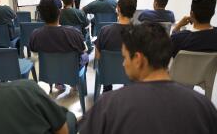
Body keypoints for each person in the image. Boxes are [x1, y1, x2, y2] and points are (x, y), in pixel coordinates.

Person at [79, 22, 217, 134]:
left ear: (138, 59)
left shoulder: (109, 105)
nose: (123, 63)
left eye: (125, 57)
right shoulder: (204, 107)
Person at [30, 0, 89, 91]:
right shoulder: (74, 33)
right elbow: (84, 49)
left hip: (49, 73)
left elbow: (35, 54)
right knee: (85, 56)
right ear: (60, 12)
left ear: (41, 15)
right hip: (71, 72)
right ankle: (74, 84)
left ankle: (58, 82)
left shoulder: (35, 35)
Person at [95, 0, 137, 92]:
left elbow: (97, 56)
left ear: (118, 8)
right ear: (134, 11)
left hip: (107, 74)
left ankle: (107, 88)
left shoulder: (104, 31)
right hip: (130, 75)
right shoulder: (139, 33)